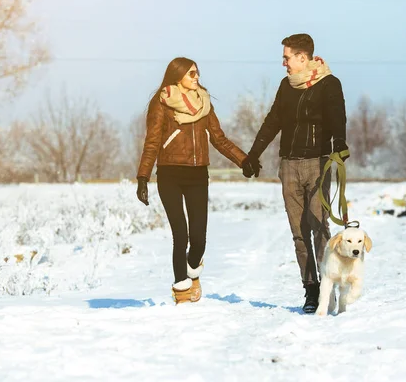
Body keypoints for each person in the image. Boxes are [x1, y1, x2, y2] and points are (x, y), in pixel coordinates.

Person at [242, 33, 348, 313]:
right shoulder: (286, 86)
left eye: (287, 57)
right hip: (289, 165)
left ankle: (328, 286)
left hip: (318, 163)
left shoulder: (329, 84)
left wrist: (340, 144)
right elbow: (273, 120)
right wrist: (253, 154)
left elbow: (338, 116)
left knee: (319, 227)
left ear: (303, 58)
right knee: (299, 233)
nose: (284, 63)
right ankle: (311, 290)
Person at [136, 57, 254, 304]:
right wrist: (143, 177)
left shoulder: (204, 103)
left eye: (197, 73)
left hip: (198, 175)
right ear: (177, 76)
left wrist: (244, 160)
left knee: (198, 238)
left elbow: (219, 139)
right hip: (169, 174)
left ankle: (192, 270)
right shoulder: (162, 104)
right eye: (191, 74)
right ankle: (181, 292)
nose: (196, 77)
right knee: (180, 234)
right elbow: (153, 142)